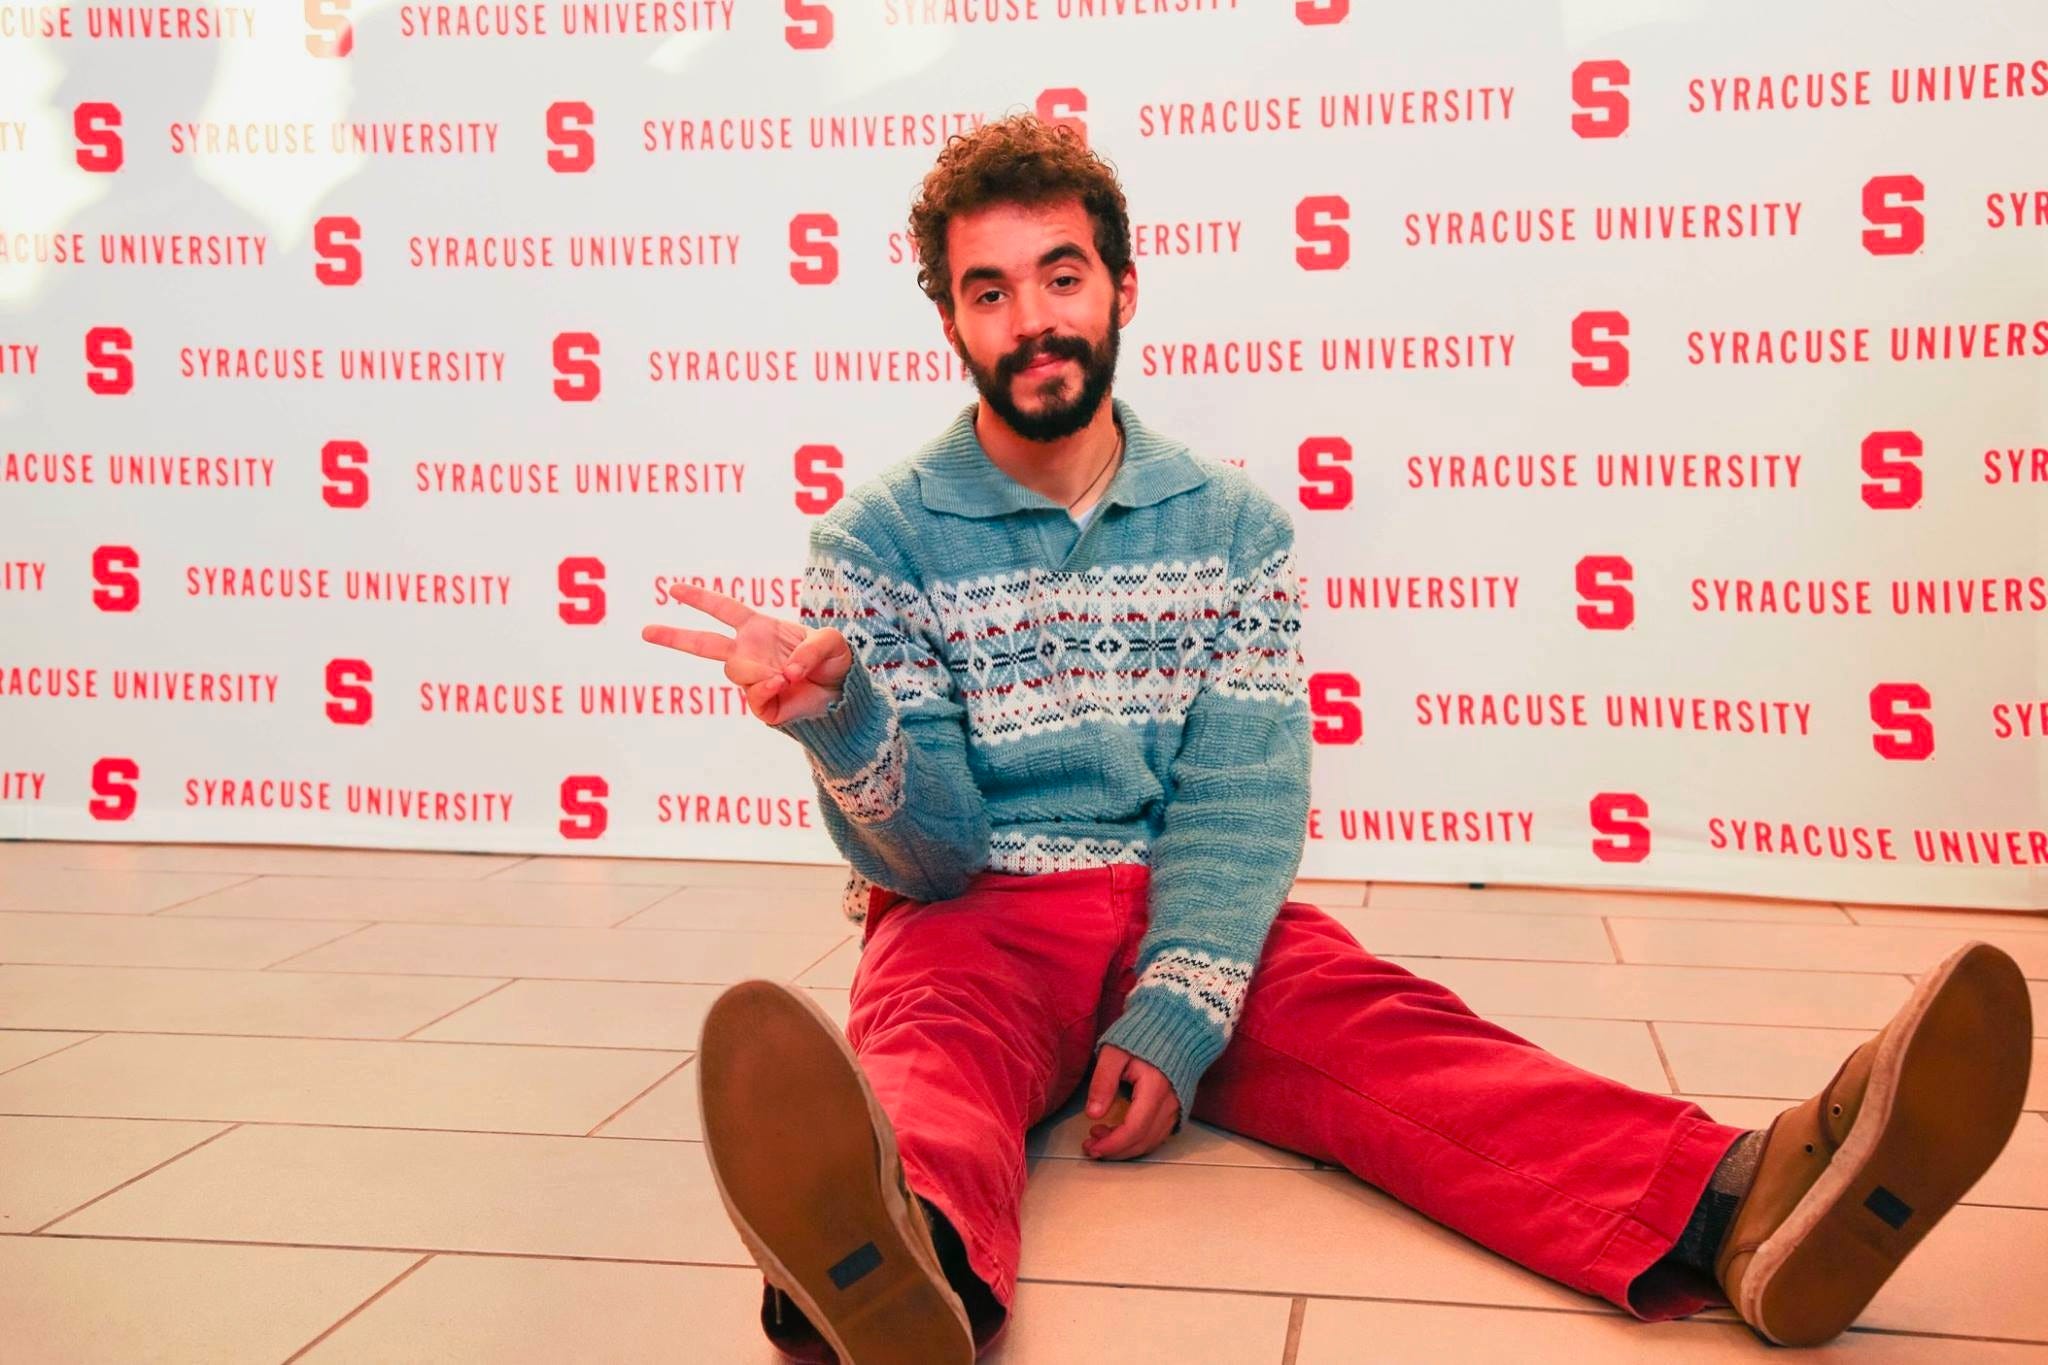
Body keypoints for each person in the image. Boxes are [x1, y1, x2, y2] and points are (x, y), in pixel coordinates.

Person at [642, 115, 2035, 1364]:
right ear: (950, 320)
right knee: (924, 1052)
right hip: (984, 916)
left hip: (1186, 900)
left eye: (1060, 277)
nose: (1033, 319)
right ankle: (897, 1263)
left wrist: (1183, 1003)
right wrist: (845, 718)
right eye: (988, 291)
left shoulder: (1232, 526)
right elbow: (933, 857)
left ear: (1121, 288)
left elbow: (1243, 793)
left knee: (1400, 1038)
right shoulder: (876, 540)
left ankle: (1748, 1198)